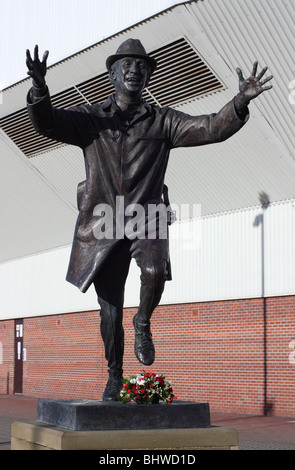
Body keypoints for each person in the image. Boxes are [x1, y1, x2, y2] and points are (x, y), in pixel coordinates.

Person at [26, 39, 272, 400]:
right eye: (126, 64)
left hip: (147, 217)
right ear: (112, 73)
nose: (133, 70)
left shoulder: (164, 121)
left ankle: (143, 321)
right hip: (104, 224)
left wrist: (239, 102)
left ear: (148, 75)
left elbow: (210, 127)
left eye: (141, 65)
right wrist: (39, 87)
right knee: (109, 312)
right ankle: (114, 376)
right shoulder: (92, 119)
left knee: (155, 272)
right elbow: (46, 123)